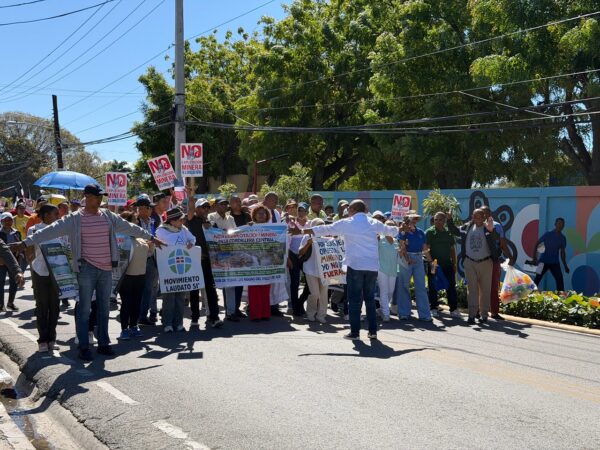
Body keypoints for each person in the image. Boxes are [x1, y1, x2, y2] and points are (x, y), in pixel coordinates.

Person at [15, 184, 166, 361]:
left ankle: (103, 343)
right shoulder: (74, 219)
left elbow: (129, 227)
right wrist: (26, 243)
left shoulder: (109, 216)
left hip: (106, 269)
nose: (100, 199)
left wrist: (151, 237)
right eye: (96, 196)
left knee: (103, 308)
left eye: (101, 196)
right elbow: (50, 231)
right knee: (84, 309)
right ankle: (84, 346)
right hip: (85, 269)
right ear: (87, 196)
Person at [293, 200, 398, 340]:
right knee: (370, 300)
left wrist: (301, 231)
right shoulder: (374, 223)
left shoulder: (347, 223)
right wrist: (401, 228)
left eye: (349, 208)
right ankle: (372, 332)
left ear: (353, 209)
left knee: (354, 300)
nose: (348, 211)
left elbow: (325, 229)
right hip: (372, 267)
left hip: (355, 266)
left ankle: (355, 333)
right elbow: (392, 231)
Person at [447, 209, 499, 324]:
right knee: (472, 290)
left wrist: (491, 231)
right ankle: (472, 315)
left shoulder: (488, 227)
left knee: (485, 291)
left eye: (481, 217)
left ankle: (484, 315)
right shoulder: (467, 227)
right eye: (476, 217)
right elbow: (454, 231)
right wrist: (449, 219)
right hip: (470, 262)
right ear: (472, 217)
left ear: (484, 217)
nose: (478, 219)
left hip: (486, 263)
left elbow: (496, 239)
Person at [27, 204, 62, 352]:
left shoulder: (61, 229)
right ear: (47, 215)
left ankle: (52, 339)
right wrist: (32, 271)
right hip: (39, 272)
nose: (58, 217)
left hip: (57, 273)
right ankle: (42, 340)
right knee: (42, 306)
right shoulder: (34, 230)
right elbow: (30, 253)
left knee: (55, 307)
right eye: (55, 214)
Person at [185, 197, 224, 328]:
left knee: (210, 289)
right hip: (195, 260)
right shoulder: (192, 220)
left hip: (208, 261)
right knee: (194, 289)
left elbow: (220, 237)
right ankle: (195, 318)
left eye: (207, 207)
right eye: (203, 207)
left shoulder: (211, 222)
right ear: (197, 208)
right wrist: (190, 197)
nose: (205, 209)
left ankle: (214, 317)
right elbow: (190, 211)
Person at [155, 207, 195, 333]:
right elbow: (158, 246)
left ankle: (178, 323)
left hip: (182, 268)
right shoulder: (161, 231)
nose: (182, 222)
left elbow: (193, 238)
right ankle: (167, 323)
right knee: (169, 297)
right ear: (172, 221)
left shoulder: (183, 229)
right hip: (168, 268)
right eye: (180, 220)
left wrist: (191, 243)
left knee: (180, 297)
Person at [117, 212, 150, 341]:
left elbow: (147, 253)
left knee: (137, 303)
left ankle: (134, 326)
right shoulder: (121, 238)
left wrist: (151, 246)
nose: (137, 221)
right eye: (135, 219)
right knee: (126, 304)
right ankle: (124, 329)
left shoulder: (141, 237)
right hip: (126, 277)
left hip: (140, 275)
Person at [208, 197, 240, 322]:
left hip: (228, 253)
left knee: (230, 284)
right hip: (213, 254)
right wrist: (224, 233)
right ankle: (211, 312)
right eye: (221, 204)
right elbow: (210, 232)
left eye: (225, 204)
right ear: (215, 206)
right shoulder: (210, 217)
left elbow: (236, 233)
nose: (223, 206)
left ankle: (231, 312)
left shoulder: (231, 218)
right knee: (211, 286)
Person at [396, 213, 432, 322]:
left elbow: (425, 248)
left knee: (421, 286)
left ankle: (425, 314)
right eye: (412, 219)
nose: (414, 220)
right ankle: (403, 313)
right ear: (407, 220)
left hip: (418, 258)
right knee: (403, 285)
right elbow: (402, 246)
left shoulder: (421, 232)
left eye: (416, 219)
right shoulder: (403, 232)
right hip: (406, 259)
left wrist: (431, 261)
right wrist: (407, 259)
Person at [480, 205, 514, 320]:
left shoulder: (497, 226)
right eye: (481, 213)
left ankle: (494, 312)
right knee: (480, 286)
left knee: (494, 286)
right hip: (479, 261)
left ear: (489, 214)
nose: (483, 215)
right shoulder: (476, 226)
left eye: (485, 213)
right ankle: (479, 311)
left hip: (493, 260)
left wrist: (510, 256)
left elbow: (502, 243)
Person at [425, 212, 460, 318]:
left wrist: (454, 263)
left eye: (440, 220)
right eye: (436, 220)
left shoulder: (449, 233)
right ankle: (434, 308)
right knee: (433, 286)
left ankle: (453, 309)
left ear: (444, 221)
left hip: (447, 265)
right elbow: (426, 249)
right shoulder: (430, 232)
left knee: (451, 286)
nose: (437, 222)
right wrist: (431, 263)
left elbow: (452, 249)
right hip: (434, 265)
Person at [298, 218, 329, 323]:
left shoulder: (327, 237)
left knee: (324, 293)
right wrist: (308, 243)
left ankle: (321, 315)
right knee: (315, 293)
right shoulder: (307, 236)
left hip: (324, 269)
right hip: (310, 269)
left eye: (322, 226)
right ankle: (310, 313)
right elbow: (301, 252)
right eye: (318, 226)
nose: (320, 228)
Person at [135, 195, 160, 325]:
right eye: (149, 207)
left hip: (151, 258)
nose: (151, 210)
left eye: (151, 208)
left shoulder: (153, 221)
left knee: (149, 288)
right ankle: (135, 316)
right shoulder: (134, 221)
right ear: (142, 209)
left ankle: (143, 316)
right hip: (137, 260)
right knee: (137, 289)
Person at [247, 204, 272, 321]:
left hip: (267, 261)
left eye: (264, 213)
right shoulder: (249, 227)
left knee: (265, 288)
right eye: (259, 213)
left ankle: (265, 313)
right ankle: (255, 314)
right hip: (253, 261)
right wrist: (248, 228)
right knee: (254, 288)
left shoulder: (273, 228)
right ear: (254, 216)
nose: (262, 215)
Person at [532, 218, 569, 291]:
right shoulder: (548, 234)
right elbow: (537, 244)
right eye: (559, 223)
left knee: (560, 281)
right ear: (555, 224)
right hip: (542, 262)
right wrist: (534, 258)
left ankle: (561, 299)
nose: (560, 225)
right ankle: (529, 296)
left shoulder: (563, 238)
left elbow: (562, 253)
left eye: (562, 224)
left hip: (554, 263)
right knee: (536, 280)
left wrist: (565, 266)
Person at [287, 201, 308, 316]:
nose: (301, 212)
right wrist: (288, 258)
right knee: (294, 283)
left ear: (307, 212)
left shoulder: (310, 224)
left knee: (309, 283)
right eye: (299, 210)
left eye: (303, 210)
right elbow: (287, 242)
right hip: (293, 256)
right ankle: (295, 307)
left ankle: (300, 303)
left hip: (306, 257)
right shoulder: (291, 223)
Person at [0, 213, 24, 311]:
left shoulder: (16, 233)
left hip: (14, 261)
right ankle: (1, 305)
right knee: (0, 283)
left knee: (14, 283)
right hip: (1, 262)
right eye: (6, 220)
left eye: (10, 220)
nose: (8, 222)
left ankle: (10, 303)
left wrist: (20, 253)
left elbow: (21, 244)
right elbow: (3, 249)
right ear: (1, 222)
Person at [377, 220, 399, 322]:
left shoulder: (396, 241)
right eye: (388, 226)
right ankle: (386, 313)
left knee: (390, 291)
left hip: (393, 269)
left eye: (392, 226)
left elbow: (400, 255)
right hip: (381, 269)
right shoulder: (379, 239)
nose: (390, 228)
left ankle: (382, 308)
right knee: (384, 291)